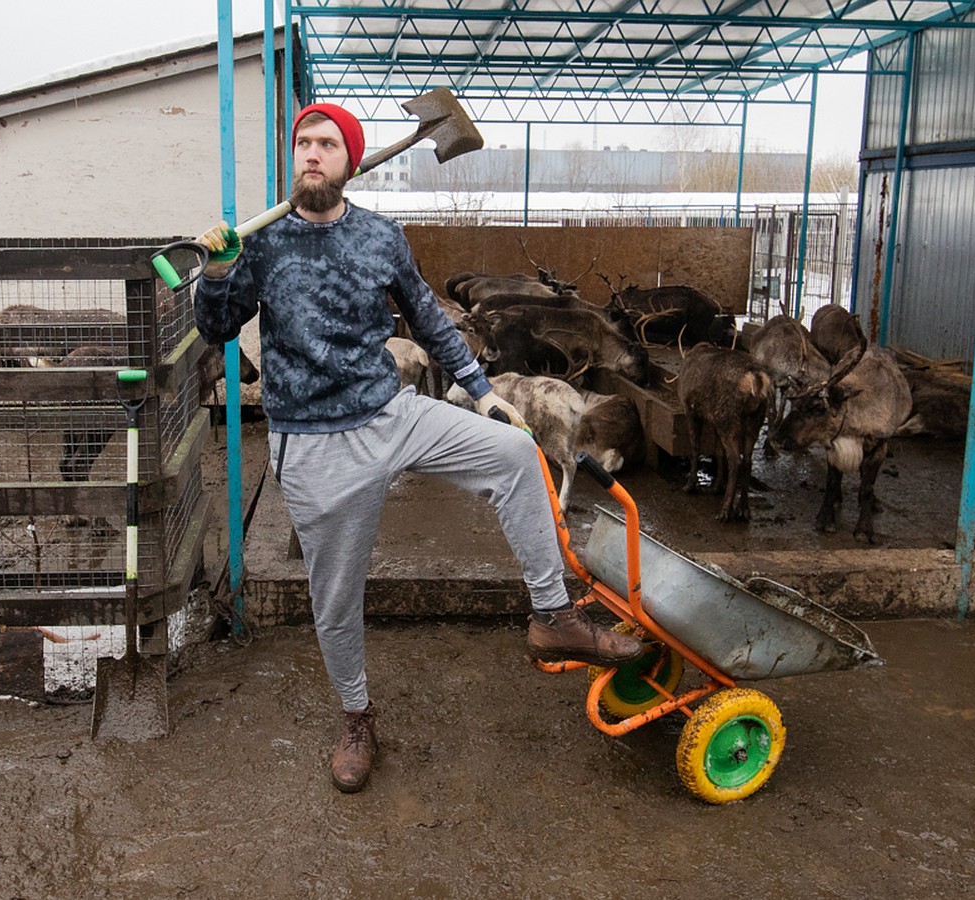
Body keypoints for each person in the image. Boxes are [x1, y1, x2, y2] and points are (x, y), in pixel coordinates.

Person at [193, 102, 642, 793]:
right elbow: (218, 329)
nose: (311, 155)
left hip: (390, 413)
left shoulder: (380, 237)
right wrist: (218, 274)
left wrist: (482, 390)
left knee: (515, 453)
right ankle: (356, 717)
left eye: (327, 145)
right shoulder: (264, 244)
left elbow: (430, 319)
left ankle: (553, 616)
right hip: (313, 445)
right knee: (335, 600)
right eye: (302, 144)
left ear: (350, 162)